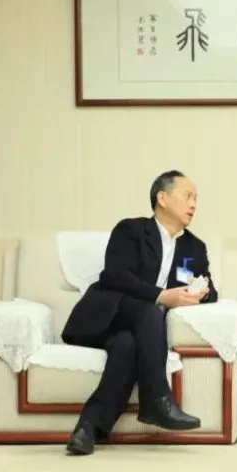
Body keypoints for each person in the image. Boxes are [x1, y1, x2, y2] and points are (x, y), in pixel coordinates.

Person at [60, 170, 218, 456]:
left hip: (139, 332)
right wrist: (161, 296)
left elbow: (211, 290)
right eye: (187, 196)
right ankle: (157, 398)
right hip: (107, 317)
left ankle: (87, 429)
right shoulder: (131, 230)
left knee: (127, 346)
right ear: (162, 198)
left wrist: (202, 292)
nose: (194, 204)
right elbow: (115, 276)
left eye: (196, 198)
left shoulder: (194, 248)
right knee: (151, 311)